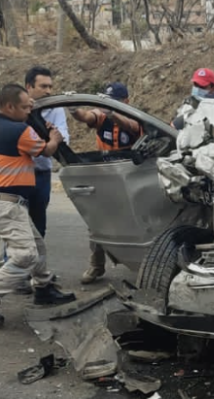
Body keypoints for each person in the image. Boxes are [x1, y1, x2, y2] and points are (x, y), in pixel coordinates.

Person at [0, 84, 75, 329]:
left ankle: (44, 288)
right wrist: (55, 138)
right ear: (9, 106)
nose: (29, 111)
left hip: (2, 201)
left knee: (38, 246)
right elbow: (46, 152)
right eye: (26, 107)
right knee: (26, 254)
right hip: (6, 204)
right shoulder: (19, 130)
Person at [68, 81, 142, 284]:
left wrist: (114, 113)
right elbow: (87, 116)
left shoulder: (134, 116)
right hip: (103, 175)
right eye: (108, 102)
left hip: (128, 177)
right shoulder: (101, 117)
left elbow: (132, 127)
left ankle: (142, 264)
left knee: (135, 223)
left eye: (116, 102)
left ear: (125, 101)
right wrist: (75, 111)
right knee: (96, 223)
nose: (110, 106)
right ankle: (96, 266)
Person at [25, 66, 69, 238]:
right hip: (20, 173)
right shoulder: (17, 107)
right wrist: (50, 138)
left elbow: (63, 137)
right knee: (17, 226)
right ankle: (13, 263)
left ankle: (36, 263)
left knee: (38, 224)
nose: (48, 91)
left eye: (50, 87)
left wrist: (53, 134)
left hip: (42, 172)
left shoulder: (56, 109)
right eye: (43, 87)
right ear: (29, 87)